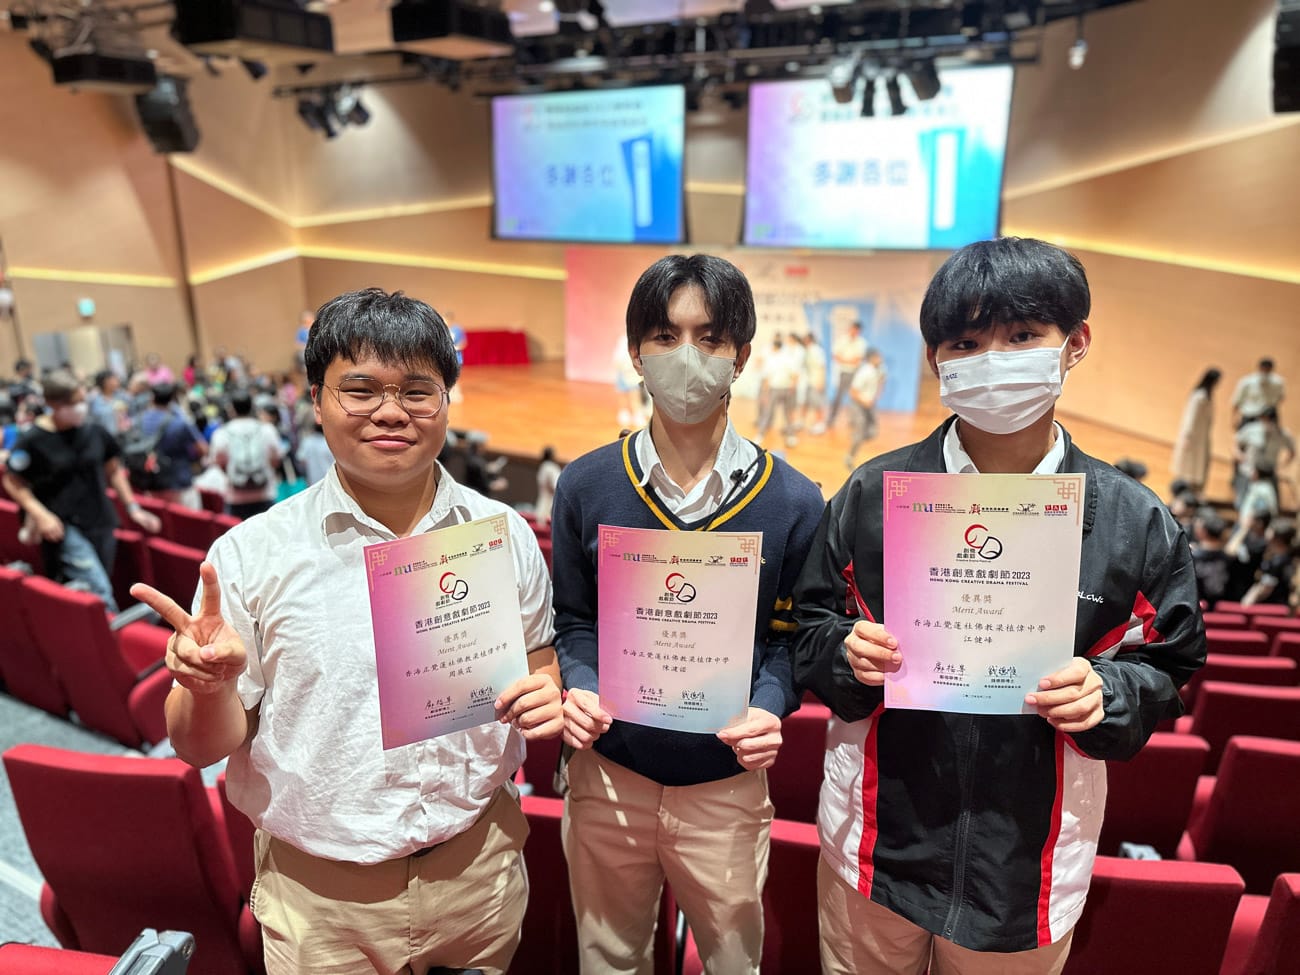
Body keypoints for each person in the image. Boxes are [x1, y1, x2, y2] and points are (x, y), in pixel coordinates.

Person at [792, 237, 1205, 974]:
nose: (993, 359)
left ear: (1075, 343)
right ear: (936, 360)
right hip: (873, 850)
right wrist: (844, 653)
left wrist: (1107, 691)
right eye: (966, 342)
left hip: (1027, 872)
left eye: (1021, 336)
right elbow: (810, 628)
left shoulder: (1133, 520)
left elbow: (1170, 663)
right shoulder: (871, 495)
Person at [128, 287, 563, 975]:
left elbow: (538, 657)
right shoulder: (252, 555)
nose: (391, 411)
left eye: (417, 391)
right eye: (360, 390)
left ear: (446, 401)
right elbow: (195, 745)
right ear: (316, 399)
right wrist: (207, 687)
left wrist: (545, 691)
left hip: (480, 875)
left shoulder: (502, 534)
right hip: (321, 904)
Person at [550, 254, 826, 975]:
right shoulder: (585, 484)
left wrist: (769, 705)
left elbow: (790, 638)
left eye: (710, 338)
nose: (687, 357)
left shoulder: (795, 501)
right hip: (608, 774)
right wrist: (582, 685)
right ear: (636, 351)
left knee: (732, 963)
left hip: (725, 781)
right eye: (666, 336)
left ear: (742, 354)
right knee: (607, 960)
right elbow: (574, 620)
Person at [2, 369, 161, 612]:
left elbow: (114, 471)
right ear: (53, 404)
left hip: (100, 520)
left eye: (81, 401)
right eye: (72, 403)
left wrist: (133, 507)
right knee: (100, 591)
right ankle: (113, 632)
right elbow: (13, 481)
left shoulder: (94, 432)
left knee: (94, 584)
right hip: (62, 525)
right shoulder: (32, 440)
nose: (80, 407)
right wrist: (40, 514)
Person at [134, 382, 208, 509]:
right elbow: (203, 449)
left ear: (152, 398)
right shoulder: (180, 423)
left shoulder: (139, 420)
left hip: (149, 481)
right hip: (179, 483)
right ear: (172, 399)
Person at [210, 390, 282, 519]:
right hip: (264, 495)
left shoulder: (221, 433)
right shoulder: (267, 429)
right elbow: (276, 460)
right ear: (252, 407)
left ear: (231, 409)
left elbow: (219, 462)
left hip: (236, 498)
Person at [1171, 368, 1221, 494]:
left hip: (1201, 436)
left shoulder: (1207, 396)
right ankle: (1183, 486)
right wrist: (1187, 435)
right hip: (1192, 436)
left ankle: (1191, 485)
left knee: (1197, 463)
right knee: (1188, 463)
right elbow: (1190, 416)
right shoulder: (1199, 396)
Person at [844, 347, 886, 469]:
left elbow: (880, 381)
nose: (880, 359)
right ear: (871, 358)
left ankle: (857, 435)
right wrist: (865, 401)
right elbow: (853, 392)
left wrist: (876, 394)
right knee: (860, 432)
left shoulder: (877, 370)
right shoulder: (865, 372)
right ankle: (850, 457)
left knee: (873, 432)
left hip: (869, 405)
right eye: (878, 357)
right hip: (858, 406)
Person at [825, 319, 867, 429]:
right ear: (850, 329)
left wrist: (845, 360)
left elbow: (858, 359)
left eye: (857, 330)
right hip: (844, 372)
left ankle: (853, 419)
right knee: (838, 397)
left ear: (859, 331)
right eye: (853, 329)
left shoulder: (861, 342)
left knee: (855, 397)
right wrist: (848, 361)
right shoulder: (842, 340)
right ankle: (831, 418)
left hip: (856, 373)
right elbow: (836, 356)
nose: (855, 331)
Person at [1231, 357, 1285, 428]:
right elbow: (1237, 400)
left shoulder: (1278, 382)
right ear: (1260, 368)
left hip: (1269, 417)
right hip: (1250, 415)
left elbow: (1280, 397)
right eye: (1264, 369)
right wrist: (1234, 418)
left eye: (1268, 369)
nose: (1265, 371)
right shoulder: (1247, 382)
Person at [534, 445, 561, 524]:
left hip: (542, 502)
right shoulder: (551, 467)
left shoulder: (543, 466)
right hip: (550, 503)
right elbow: (554, 486)